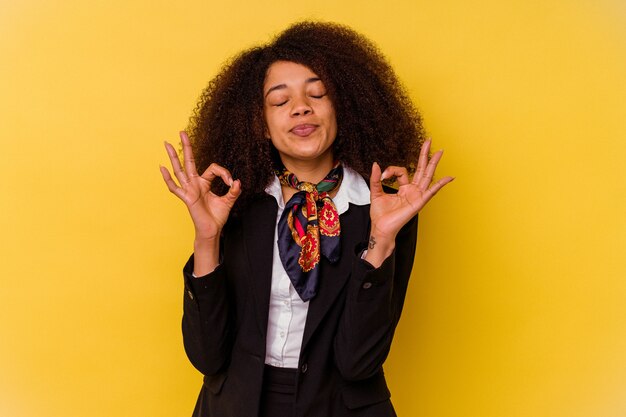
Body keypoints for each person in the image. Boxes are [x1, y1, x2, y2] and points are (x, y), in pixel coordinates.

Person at [160, 21, 453, 417]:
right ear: (260, 124)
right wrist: (207, 238)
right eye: (280, 102)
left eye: (318, 93)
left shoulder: (383, 206)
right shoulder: (233, 202)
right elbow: (208, 357)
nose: (301, 107)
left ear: (342, 107)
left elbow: (357, 363)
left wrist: (380, 240)